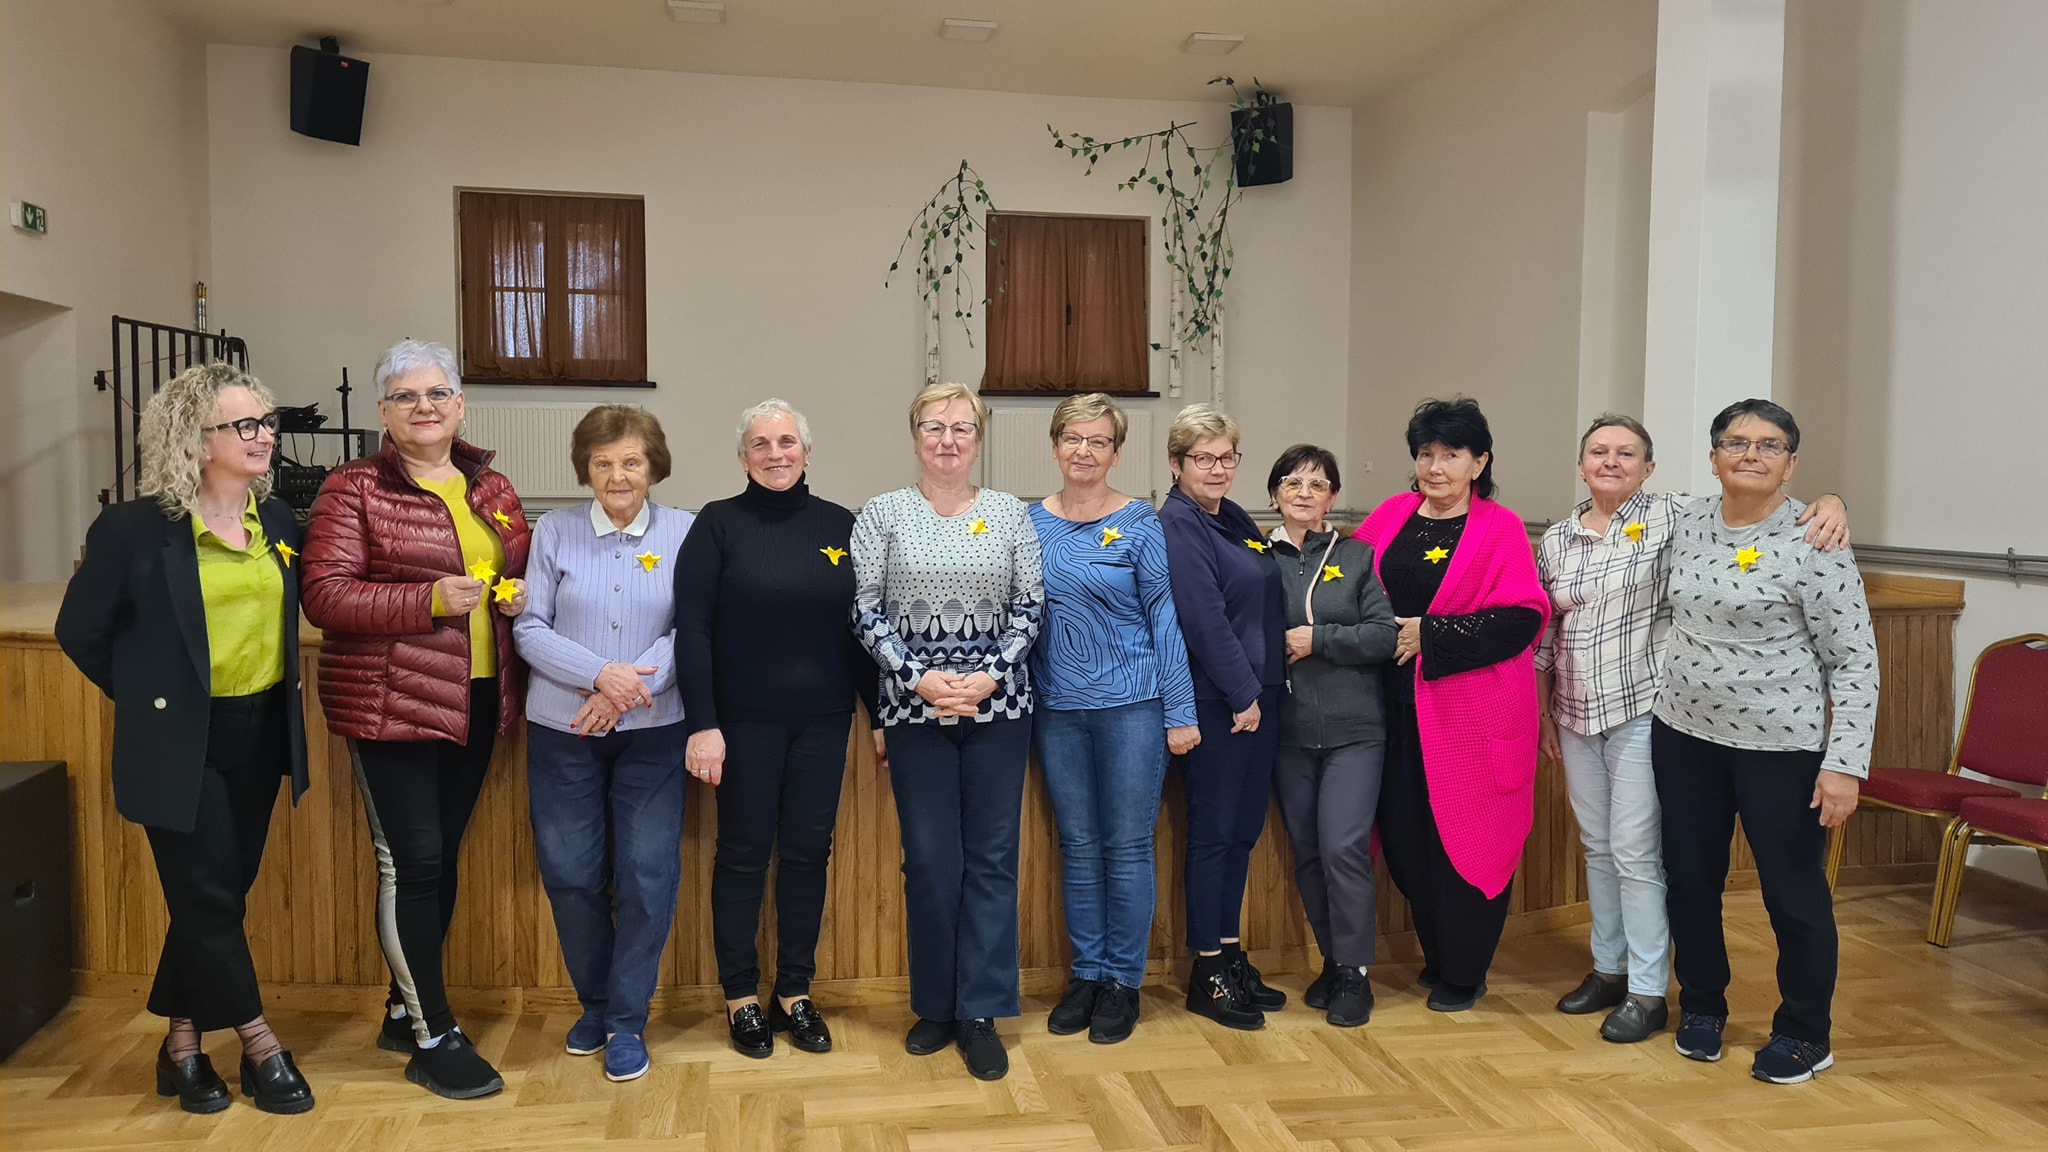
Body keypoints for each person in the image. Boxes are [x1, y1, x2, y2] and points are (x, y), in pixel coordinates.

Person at [1534, 415, 1849, 1044]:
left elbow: (1754, 492)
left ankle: (1649, 991)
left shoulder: (1675, 517)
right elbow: (1547, 629)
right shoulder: (1556, 539)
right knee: (1599, 847)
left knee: (1635, 851)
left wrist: (1833, 500)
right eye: (1599, 451)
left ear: (1650, 469)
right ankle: (1610, 968)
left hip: (1646, 711)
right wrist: (1543, 711)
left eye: (1627, 453)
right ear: (1580, 464)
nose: (1611, 462)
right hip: (1574, 711)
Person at [55, 363, 314, 1116]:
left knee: (217, 897)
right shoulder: (133, 528)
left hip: (260, 732)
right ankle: (260, 1043)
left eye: (266, 422)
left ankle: (181, 1044)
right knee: (207, 896)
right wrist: (150, 702)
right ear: (195, 440)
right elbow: (80, 630)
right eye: (245, 424)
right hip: (178, 745)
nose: (265, 436)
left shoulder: (279, 521)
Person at [300, 339, 531, 1100]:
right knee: (413, 863)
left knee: (440, 861)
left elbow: (515, 565)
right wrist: (428, 599)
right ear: (383, 412)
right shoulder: (352, 487)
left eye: (437, 394)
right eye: (406, 396)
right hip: (389, 703)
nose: (423, 406)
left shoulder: (491, 485)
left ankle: (404, 1011)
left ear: (460, 405)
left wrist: (518, 594)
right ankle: (434, 1034)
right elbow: (325, 596)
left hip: (476, 698)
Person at [1651, 398, 1876, 1085]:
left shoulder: (1817, 538)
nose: (1751, 454)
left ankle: (1805, 1033)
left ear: (1791, 464)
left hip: (1782, 749)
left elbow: (1855, 660)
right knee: (1690, 881)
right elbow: (1616, 498)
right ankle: (1702, 1005)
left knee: (1791, 893)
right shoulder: (1684, 520)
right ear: (1714, 456)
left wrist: (1845, 764)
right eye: (1736, 442)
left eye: (1769, 445)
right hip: (1683, 735)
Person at [851, 382, 1042, 1081]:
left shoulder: (1010, 514)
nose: (948, 439)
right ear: (915, 437)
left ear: (979, 439)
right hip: (914, 712)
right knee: (931, 862)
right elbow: (865, 611)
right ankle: (936, 1004)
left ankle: (981, 1011)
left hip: (1000, 711)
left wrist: (988, 677)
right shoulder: (882, 514)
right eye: (934, 426)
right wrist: (920, 679)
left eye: (962, 427)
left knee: (991, 861)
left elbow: (1030, 607)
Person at [674, 399, 874, 1061]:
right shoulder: (716, 524)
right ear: (743, 458)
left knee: (808, 855)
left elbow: (860, 632)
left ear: (807, 453)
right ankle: (740, 996)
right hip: (743, 723)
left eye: (786, 441)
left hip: (824, 721)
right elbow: (692, 632)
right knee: (742, 855)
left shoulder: (841, 524)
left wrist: (880, 719)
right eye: (760, 444)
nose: (775, 453)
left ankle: (794, 992)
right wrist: (703, 725)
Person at [511, 405, 692, 1083]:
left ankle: (626, 1020)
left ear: (654, 467)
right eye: (602, 462)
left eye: (631, 461)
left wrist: (623, 689)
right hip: (563, 731)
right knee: (570, 872)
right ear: (585, 469)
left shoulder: (685, 532)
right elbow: (529, 627)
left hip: (653, 732)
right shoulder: (554, 532)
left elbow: (691, 629)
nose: (618, 475)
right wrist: (599, 676)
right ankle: (595, 1003)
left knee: (648, 875)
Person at [1352, 397, 1549, 1013]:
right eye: (1426, 453)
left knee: (1466, 840)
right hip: (1394, 711)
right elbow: (1345, 581)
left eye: (1452, 455)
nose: (1436, 467)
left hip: (1472, 718)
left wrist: (1429, 636)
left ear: (1479, 462)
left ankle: (1464, 973)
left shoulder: (1500, 527)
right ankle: (1436, 957)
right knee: (1407, 836)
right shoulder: (1389, 515)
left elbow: (1522, 620)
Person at [1028, 393, 1199, 1045]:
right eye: (1073, 438)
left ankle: (1123, 982)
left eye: (1098, 441)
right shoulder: (1027, 523)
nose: (1084, 451)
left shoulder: (1139, 522)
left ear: (1116, 453)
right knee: (1077, 846)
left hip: (1133, 707)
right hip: (1057, 709)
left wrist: (1179, 711)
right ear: (1054, 446)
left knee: (1126, 847)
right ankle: (1087, 975)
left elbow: (1164, 617)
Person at [1158, 403, 1288, 1031]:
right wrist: (1241, 693)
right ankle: (1206, 970)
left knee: (1241, 833)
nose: (1217, 468)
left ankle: (1231, 954)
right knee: (1213, 836)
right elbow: (1202, 617)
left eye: (1227, 457)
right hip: (1221, 701)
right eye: (1202, 458)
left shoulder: (1231, 517)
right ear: (1176, 463)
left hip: (1260, 695)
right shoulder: (1178, 524)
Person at [1263, 444, 1397, 1029]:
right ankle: (1333, 960)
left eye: (1317, 485)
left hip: (1355, 728)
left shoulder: (1358, 557)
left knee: (1343, 847)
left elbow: (1384, 636)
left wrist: (1317, 640)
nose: (1304, 492)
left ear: (1332, 499)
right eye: (1292, 482)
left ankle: (1355, 972)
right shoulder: (1253, 558)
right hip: (1286, 731)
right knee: (1309, 851)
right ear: (1274, 494)